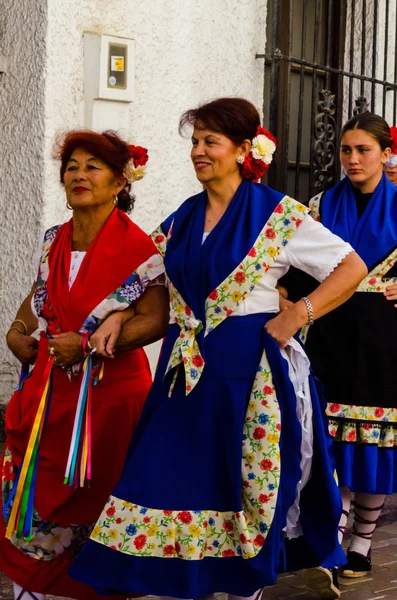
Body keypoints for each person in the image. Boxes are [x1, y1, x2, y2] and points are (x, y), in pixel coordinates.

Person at [69, 98, 367, 600]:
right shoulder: (183, 218)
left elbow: (351, 265)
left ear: (244, 149)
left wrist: (300, 312)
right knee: (166, 478)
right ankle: (178, 581)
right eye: (195, 142)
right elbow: (145, 278)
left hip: (248, 376)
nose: (199, 152)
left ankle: (240, 585)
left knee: (240, 486)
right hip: (183, 377)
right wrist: (116, 314)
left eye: (211, 142)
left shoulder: (277, 215)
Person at [0, 130, 169, 600]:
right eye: (72, 166)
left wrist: (91, 345)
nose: (79, 174)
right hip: (49, 393)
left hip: (110, 399)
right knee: (35, 499)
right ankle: (32, 590)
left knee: (100, 500)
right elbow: (36, 301)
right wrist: (15, 332)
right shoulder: (53, 240)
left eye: (93, 166)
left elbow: (156, 319)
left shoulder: (140, 249)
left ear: (120, 182)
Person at [280, 113, 397, 595]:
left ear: (386, 153)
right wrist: (283, 296)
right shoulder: (321, 205)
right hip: (329, 335)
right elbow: (296, 266)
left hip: (386, 341)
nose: (352, 159)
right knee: (328, 443)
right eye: (346, 150)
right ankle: (327, 545)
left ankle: (361, 546)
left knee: (373, 444)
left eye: (362, 150)